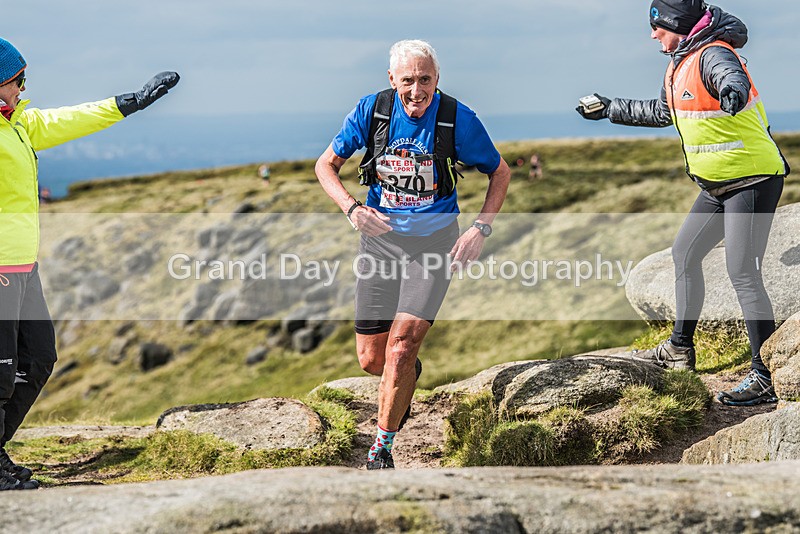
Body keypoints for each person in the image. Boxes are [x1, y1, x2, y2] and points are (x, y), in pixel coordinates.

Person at [577, 1, 789, 406]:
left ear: (676, 24)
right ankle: (679, 349)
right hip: (715, 186)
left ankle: (764, 375)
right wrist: (609, 109)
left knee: (742, 271)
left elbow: (730, 76)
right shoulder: (679, 63)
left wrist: (733, 89)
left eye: (657, 26)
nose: (653, 34)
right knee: (684, 254)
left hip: (753, 180)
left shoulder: (713, 54)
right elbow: (662, 112)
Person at [315, 39, 510, 469]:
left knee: (402, 346)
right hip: (379, 244)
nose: (417, 90)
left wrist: (480, 228)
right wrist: (352, 209)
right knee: (372, 359)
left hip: (434, 244)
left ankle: (381, 448)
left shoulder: (457, 119)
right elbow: (325, 165)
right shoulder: (373, 111)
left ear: (437, 79)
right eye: (408, 80)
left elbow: (500, 170)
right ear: (392, 80)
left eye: (425, 79)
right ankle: (405, 378)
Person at [0, 36, 179, 490]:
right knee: (0, 375)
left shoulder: (20, 124)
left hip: (23, 268)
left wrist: (131, 103)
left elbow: (73, 117)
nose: (24, 88)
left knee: (38, 360)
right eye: (18, 80)